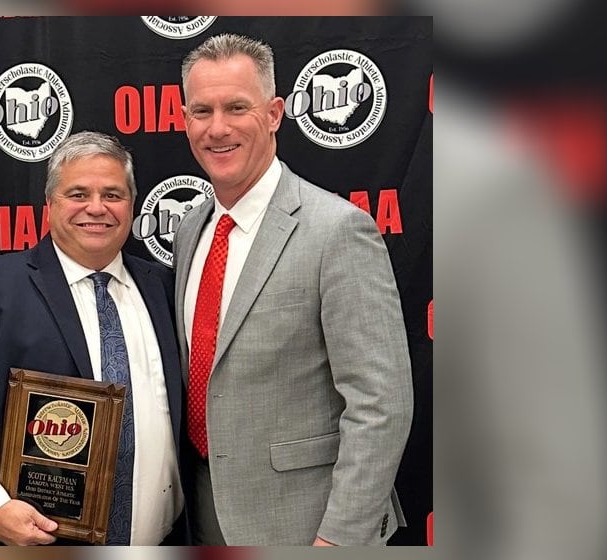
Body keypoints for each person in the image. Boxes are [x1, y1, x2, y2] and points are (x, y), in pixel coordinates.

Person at [173, 33, 413, 546]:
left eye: (237, 107)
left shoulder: (337, 230)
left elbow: (381, 403)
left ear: (276, 113)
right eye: (201, 111)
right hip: (204, 517)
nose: (217, 128)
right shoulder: (192, 229)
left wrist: (339, 539)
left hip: (307, 528)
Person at [0, 131, 185, 545]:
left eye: (113, 194)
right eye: (78, 193)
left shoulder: (165, 287)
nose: (97, 208)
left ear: (131, 205)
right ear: (50, 205)